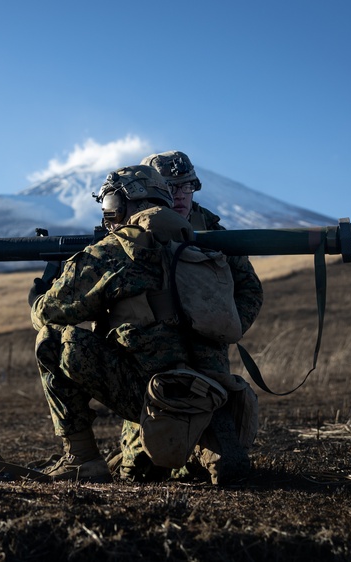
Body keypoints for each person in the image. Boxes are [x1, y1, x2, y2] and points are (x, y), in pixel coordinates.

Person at [22, 164, 200, 483]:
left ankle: (81, 458)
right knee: (139, 470)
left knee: (51, 340)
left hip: (152, 397)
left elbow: (50, 314)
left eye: (110, 206)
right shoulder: (197, 246)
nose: (108, 216)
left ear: (125, 204)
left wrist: (37, 297)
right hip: (204, 395)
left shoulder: (116, 249)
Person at [110, 150, 264, 483]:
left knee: (223, 454)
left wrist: (224, 324)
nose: (179, 195)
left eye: (186, 187)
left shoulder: (213, 229)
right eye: (171, 187)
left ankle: (210, 450)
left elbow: (249, 289)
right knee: (139, 471)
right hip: (149, 351)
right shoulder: (129, 227)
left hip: (206, 351)